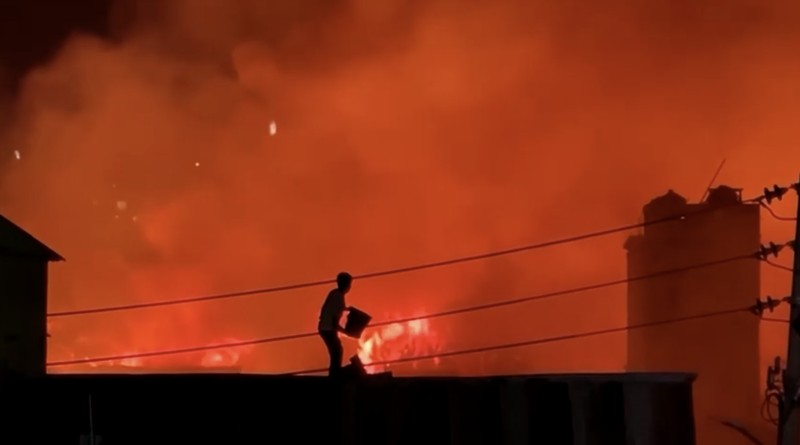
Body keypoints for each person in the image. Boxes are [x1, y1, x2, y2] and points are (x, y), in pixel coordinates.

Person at [318, 272, 352, 377]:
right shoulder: (338, 297)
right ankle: (334, 376)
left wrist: (347, 309)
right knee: (337, 351)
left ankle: (334, 374)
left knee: (336, 350)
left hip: (325, 327)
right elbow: (334, 322)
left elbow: (335, 309)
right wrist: (346, 332)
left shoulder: (334, 293)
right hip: (328, 329)